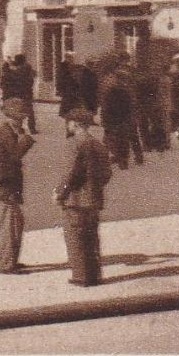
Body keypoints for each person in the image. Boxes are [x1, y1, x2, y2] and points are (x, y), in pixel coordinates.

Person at [55, 107, 113, 287]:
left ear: (75, 124)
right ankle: (95, 275)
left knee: (75, 238)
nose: (68, 125)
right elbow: (107, 173)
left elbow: (70, 173)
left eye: (69, 122)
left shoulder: (74, 143)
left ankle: (80, 276)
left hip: (76, 199)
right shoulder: (98, 144)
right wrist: (95, 186)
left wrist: (60, 192)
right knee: (91, 238)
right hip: (94, 198)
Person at [0, 97, 36, 274]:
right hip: (4, 183)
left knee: (15, 222)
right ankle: (6, 264)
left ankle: (11, 260)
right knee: (9, 224)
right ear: (13, 117)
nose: (23, 120)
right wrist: (26, 138)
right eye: (21, 117)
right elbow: (15, 155)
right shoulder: (5, 132)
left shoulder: (11, 130)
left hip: (6, 181)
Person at [100, 66, 142, 170]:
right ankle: (125, 159)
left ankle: (125, 159)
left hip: (122, 118)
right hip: (123, 118)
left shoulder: (118, 90)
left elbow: (106, 106)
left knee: (124, 139)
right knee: (125, 139)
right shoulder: (120, 90)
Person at [2, 54, 38, 134]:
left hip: (19, 93)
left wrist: (7, 65)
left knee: (19, 110)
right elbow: (33, 76)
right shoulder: (28, 69)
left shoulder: (17, 71)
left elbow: (11, 77)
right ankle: (32, 128)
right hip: (27, 93)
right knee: (29, 111)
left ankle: (19, 128)